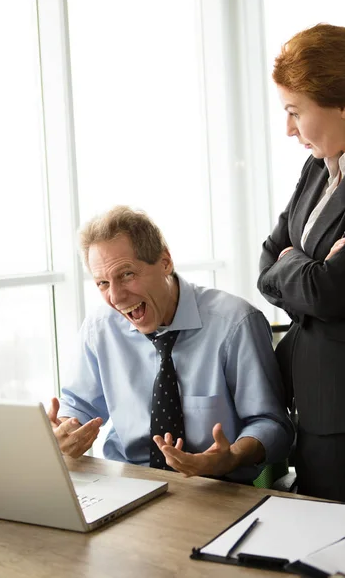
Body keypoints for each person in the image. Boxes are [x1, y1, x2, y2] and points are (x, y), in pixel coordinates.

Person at [49, 205, 293, 483]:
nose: (115, 297)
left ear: (165, 262)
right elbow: (78, 406)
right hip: (128, 481)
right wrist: (66, 431)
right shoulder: (100, 328)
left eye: (127, 274)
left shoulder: (235, 323)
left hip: (216, 488)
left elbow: (272, 424)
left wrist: (233, 456)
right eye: (103, 283)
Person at [258, 23, 345, 507]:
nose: (289, 129)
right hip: (313, 408)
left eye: (295, 112)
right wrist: (306, 265)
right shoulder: (319, 163)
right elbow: (267, 259)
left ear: (342, 102)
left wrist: (299, 266)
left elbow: (332, 290)